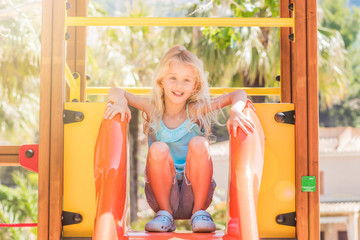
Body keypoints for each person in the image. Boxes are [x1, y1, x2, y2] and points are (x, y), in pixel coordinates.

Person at [104, 45, 255, 233]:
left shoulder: (195, 110)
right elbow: (117, 91)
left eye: (186, 80)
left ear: (195, 86)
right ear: (161, 81)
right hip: (161, 195)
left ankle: (200, 213)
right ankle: (165, 214)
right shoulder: (153, 109)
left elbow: (238, 94)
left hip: (196, 192)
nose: (179, 85)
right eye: (173, 78)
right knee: (158, 148)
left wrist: (235, 110)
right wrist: (120, 102)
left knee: (199, 143)